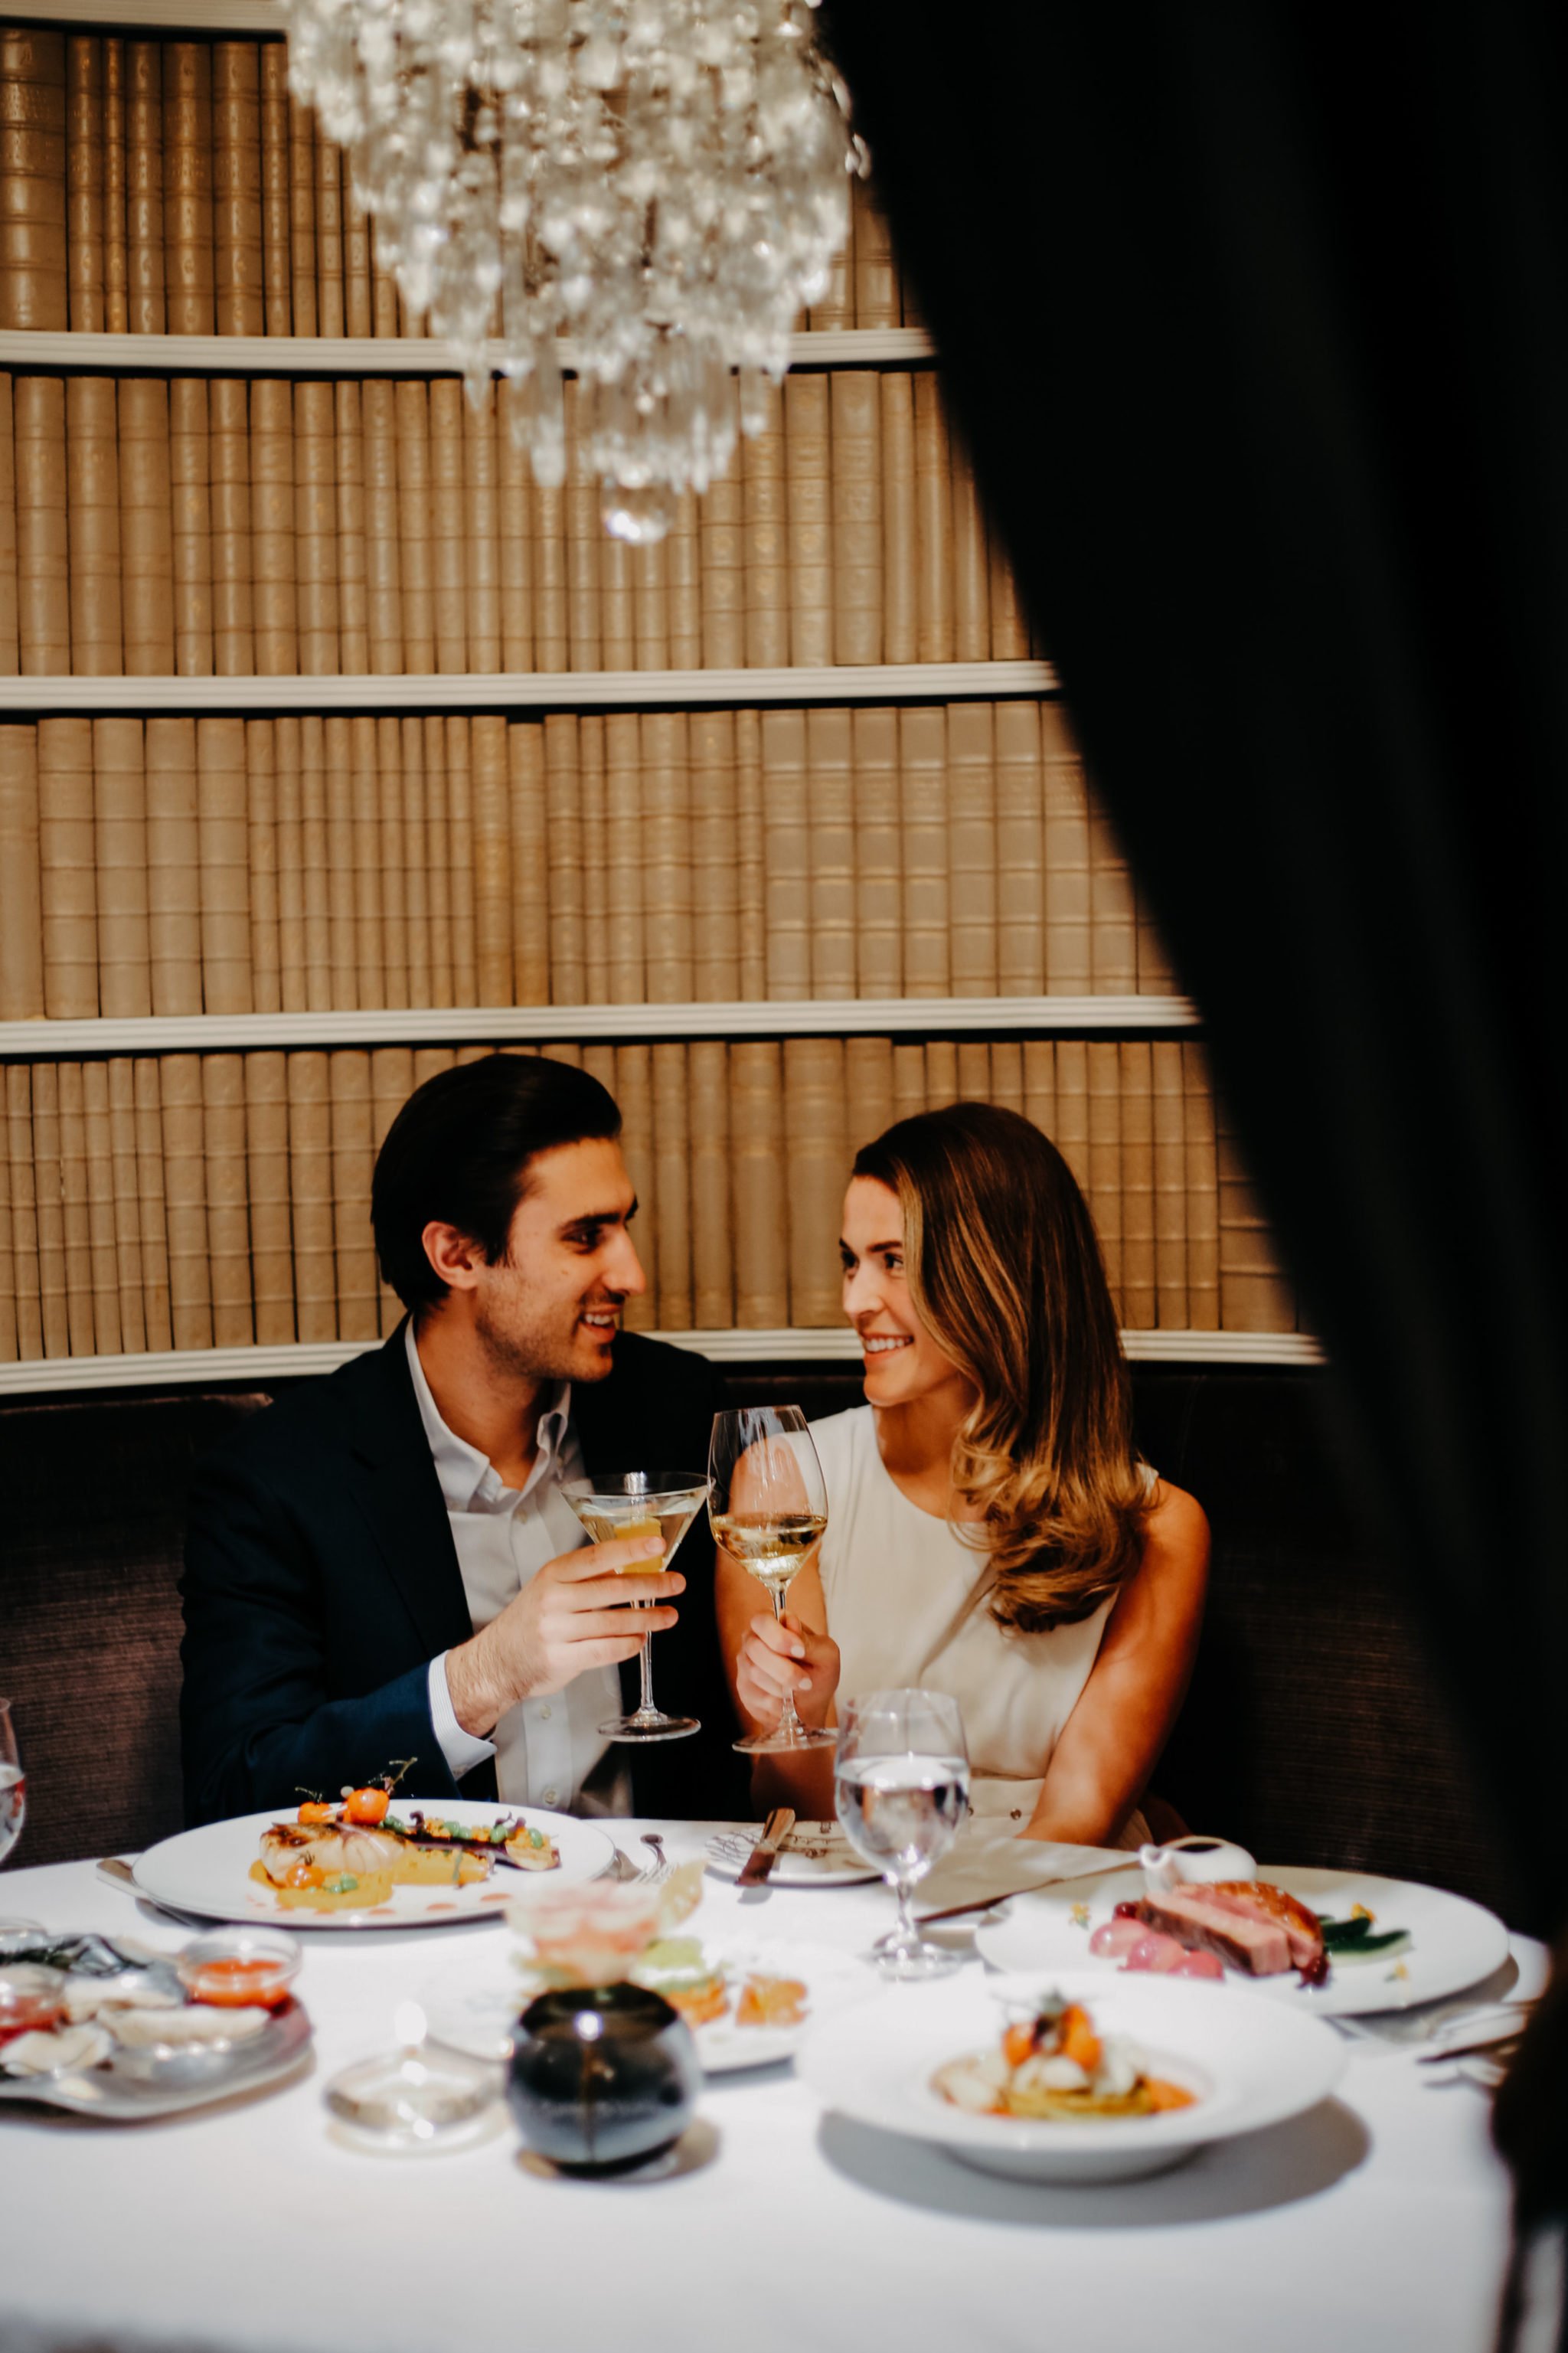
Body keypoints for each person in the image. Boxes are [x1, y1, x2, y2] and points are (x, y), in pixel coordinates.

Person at [181, 1054, 746, 1825]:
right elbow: (233, 1790)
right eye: (586, 1237)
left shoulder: (682, 1409)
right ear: (457, 1255)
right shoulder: (277, 1479)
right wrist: (482, 1677)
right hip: (426, 1924)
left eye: (624, 1225)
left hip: (661, 1915)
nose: (632, 1274)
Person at [718, 1102, 1210, 1842]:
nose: (855, 1300)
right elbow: (791, 1808)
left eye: (893, 1260)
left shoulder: (1159, 1526)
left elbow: (1078, 1820)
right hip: (862, 1881)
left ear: (1000, 1274)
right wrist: (805, 1721)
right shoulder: (784, 1479)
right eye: (851, 1261)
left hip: (1054, 1900)